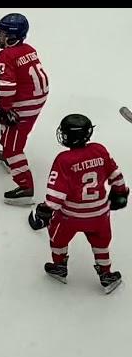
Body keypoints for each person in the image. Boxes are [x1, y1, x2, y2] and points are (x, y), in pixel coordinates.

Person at [28, 114, 128, 294]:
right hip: (99, 214)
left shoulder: (64, 160)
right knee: (101, 244)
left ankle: (59, 266)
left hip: (70, 216)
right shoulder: (100, 150)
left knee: (58, 238)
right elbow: (116, 174)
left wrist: (45, 210)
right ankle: (106, 274)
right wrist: (120, 193)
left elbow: (56, 194)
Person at [0, 13, 49, 205]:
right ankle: (10, 157)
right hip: (36, 98)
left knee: (13, 146)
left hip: (24, 103)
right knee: (10, 130)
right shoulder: (29, 49)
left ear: (12, 36)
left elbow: (8, 86)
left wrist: (5, 107)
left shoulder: (5, 55)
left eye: (3, 33)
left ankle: (26, 187)